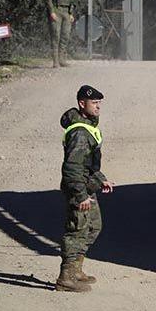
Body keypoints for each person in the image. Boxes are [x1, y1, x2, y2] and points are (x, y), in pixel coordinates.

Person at [55, 85, 115, 292]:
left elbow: (88, 163)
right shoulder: (80, 132)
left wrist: (100, 178)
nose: (98, 107)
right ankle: (66, 277)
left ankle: (77, 270)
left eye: (99, 103)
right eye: (94, 103)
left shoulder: (87, 126)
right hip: (79, 190)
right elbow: (72, 168)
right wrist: (80, 196)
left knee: (93, 227)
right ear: (82, 103)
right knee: (77, 230)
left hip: (87, 187)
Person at [44, 0, 76, 67]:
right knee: (56, 36)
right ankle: (55, 61)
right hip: (56, 11)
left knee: (65, 36)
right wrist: (51, 11)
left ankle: (62, 59)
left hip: (67, 12)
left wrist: (71, 13)